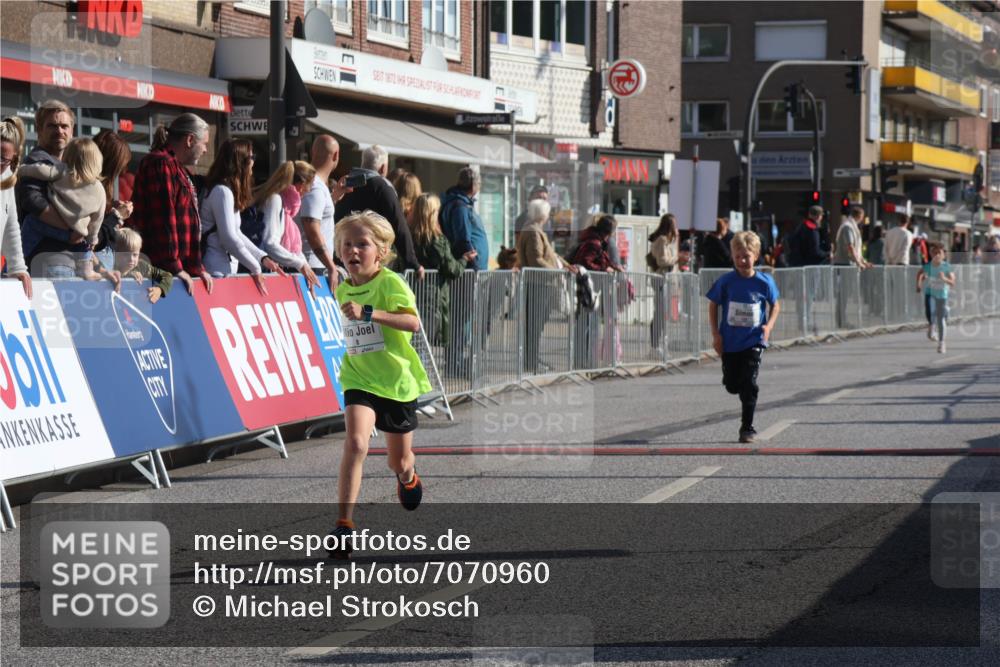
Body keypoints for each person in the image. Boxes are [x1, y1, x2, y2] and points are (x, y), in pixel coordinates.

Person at [327, 210, 432, 557]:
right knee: (356, 443)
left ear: (381, 252)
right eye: (346, 245)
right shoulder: (343, 288)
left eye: (362, 244)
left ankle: (408, 476)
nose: (353, 251)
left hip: (396, 382)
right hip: (359, 376)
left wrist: (370, 312)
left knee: (397, 462)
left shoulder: (390, 283)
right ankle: (344, 525)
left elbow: (413, 323)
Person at [706, 231, 781, 444]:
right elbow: (713, 305)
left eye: (746, 256)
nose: (742, 261)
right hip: (730, 341)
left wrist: (768, 327)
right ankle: (735, 382)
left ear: (756, 256)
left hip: (754, 340)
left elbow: (776, 304)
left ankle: (747, 428)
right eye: (738, 256)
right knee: (732, 384)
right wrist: (715, 334)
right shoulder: (726, 281)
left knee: (749, 383)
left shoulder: (764, 282)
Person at [129, 112, 213, 295]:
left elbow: (188, 223)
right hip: (158, 273)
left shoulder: (176, 168)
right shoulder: (161, 164)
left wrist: (197, 268)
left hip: (170, 271)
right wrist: (174, 267)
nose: (205, 150)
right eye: (204, 143)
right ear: (190, 140)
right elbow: (164, 220)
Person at [14, 100, 89, 278]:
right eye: (52, 126)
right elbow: (33, 202)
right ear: (39, 129)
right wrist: (71, 229)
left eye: (64, 126)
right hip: (49, 261)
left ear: (72, 130)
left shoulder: (71, 165)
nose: (60, 131)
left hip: (69, 259)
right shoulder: (36, 161)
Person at [200, 139, 283, 293]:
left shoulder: (226, 190)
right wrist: (256, 267)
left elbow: (236, 233)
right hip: (216, 270)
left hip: (223, 269)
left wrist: (262, 257)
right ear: (240, 162)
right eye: (251, 158)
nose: (253, 162)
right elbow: (229, 239)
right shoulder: (222, 192)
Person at [18, 137, 107, 279]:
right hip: (80, 232)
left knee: (30, 222)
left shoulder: (62, 171)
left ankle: (19, 259)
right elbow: (98, 218)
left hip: (54, 224)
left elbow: (40, 171)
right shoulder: (99, 189)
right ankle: (87, 269)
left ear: (67, 156)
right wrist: (92, 238)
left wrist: (22, 170)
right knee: (86, 245)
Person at [335, 145, 422, 277]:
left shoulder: (345, 183)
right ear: (383, 168)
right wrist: (412, 262)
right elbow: (399, 225)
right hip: (372, 258)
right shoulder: (382, 187)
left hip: (344, 255)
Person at [517, 198, 577, 373]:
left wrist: (566, 265)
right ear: (542, 214)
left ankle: (533, 359)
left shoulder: (535, 230)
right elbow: (537, 260)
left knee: (536, 326)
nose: (549, 217)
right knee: (534, 326)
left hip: (541, 283)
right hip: (539, 283)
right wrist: (557, 272)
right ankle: (531, 362)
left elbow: (552, 254)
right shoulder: (533, 231)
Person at [408, 193, 475, 347]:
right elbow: (452, 269)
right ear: (433, 214)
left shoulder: (407, 237)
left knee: (413, 343)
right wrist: (464, 260)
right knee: (423, 344)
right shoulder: (437, 240)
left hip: (410, 293)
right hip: (431, 298)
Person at [440, 166, 488, 375]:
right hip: (466, 272)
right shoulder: (459, 206)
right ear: (474, 186)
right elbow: (462, 239)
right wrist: (475, 266)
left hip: (467, 271)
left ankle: (456, 362)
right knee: (461, 319)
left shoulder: (461, 203)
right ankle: (454, 364)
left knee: (464, 319)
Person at [250, 160, 320, 290]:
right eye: (310, 186)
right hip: (260, 270)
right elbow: (270, 243)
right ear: (301, 185)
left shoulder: (284, 205)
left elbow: (294, 250)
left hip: (265, 269)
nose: (309, 190)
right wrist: (300, 264)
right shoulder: (275, 200)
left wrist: (305, 267)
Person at [297, 135, 352, 290]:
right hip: (313, 267)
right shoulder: (315, 187)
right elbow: (311, 228)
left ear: (313, 152)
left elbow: (315, 217)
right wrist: (331, 266)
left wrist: (334, 196)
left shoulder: (317, 185)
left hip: (312, 265)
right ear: (336, 155)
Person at [91, 129, 134, 272]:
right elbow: (92, 239)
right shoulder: (90, 189)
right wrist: (117, 216)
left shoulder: (100, 188)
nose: (123, 172)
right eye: (121, 166)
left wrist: (111, 209)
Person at [0, 116, 30, 297]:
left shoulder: (7, 178)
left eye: (3, 159)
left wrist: (18, 266)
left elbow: (11, 225)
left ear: (13, 159)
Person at [114, 227, 173, 303]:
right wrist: (128, 275)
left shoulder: (142, 266)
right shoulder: (109, 265)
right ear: (115, 253)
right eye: (126, 255)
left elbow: (167, 276)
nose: (131, 259)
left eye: (135, 255)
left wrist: (159, 290)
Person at [916, 242, 955, 353]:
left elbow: (952, 282)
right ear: (931, 254)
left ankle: (941, 343)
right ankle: (932, 327)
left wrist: (944, 279)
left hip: (942, 295)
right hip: (931, 293)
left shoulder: (947, 266)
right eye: (934, 253)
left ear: (944, 255)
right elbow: (920, 273)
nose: (937, 255)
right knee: (930, 314)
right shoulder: (928, 266)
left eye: (939, 253)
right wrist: (918, 285)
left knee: (941, 319)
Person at [648, 213, 679, 351]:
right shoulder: (661, 240)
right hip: (660, 279)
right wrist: (677, 260)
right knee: (659, 313)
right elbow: (662, 261)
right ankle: (655, 345)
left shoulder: (667, 240)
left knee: (662, 313)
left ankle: (659, 344)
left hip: (665, 279)